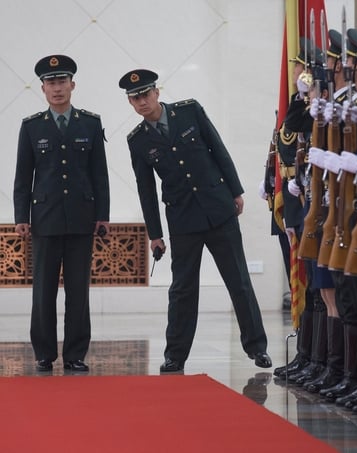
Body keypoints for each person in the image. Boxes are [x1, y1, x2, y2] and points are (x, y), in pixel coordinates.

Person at [119, 69, 271, 372]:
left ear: (156, 93)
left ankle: (257, 348)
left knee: (238, 281)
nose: (141, 101)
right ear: (131, 103)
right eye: (135, 98)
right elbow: (146, 189)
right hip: (183, 219)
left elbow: (218, 149)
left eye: (145, 94)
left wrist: (236, 191)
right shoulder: (137, 140)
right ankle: (175, 355)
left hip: (219, 210)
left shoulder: (189, 111)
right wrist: (155, 234)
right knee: (182, 289)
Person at [13, 54, 110, 373]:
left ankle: (75, 354)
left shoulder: (90, 123)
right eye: (51, 83)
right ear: (42, 88)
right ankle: (43, 353)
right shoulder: (31, 127)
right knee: (43, 290)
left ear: (73, 85)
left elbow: (100, 174)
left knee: (79, 291)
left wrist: (103, 215)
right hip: (45, 219)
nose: (57, 88)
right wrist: (21, 218)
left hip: (82, 217)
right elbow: (23, 176)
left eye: (62, 82)